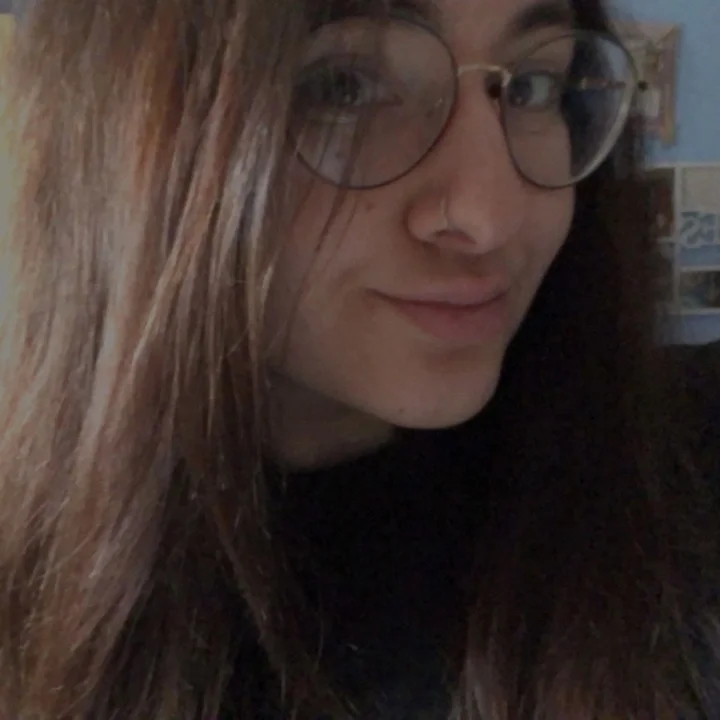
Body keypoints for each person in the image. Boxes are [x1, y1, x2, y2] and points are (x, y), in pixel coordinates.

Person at [0, 0, 717, 718]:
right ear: (129, 133)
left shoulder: (674, 470)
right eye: (343, 87)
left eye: (532, 85)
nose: (491, 216)